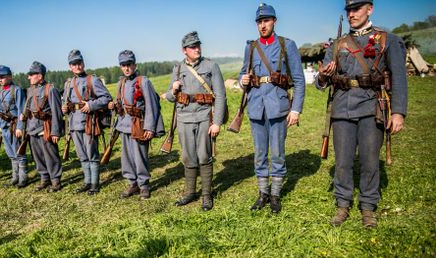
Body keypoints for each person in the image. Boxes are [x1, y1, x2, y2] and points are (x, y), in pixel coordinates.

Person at [316, 0, 407, 227]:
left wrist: (398, 112)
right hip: (342, 107)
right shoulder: (337, 44)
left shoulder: (387, 40)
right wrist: (324, 75)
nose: (351, 14)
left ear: (370, 9)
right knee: (343, 162)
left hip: (371, 107)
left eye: (356, 9)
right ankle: (343, 204)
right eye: (348, 10)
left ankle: (367, 206)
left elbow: (399, 79)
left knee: (369, 161)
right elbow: (320, 83)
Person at [239, 3, 305, 214]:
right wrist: (243, 80)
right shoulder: (251, 47)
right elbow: (243, 76)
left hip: (278, 107)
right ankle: (263, 194)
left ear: (274, 21)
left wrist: (295, 110)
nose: (262, 25)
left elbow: (299, 80)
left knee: (277, 153)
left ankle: (275, 195)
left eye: (266, 21)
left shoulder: (287, 45)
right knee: (259, 154)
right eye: (259, 22)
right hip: (257, 107)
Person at [165, 31, 227, 211]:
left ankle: (207, 195)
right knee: (188, 156)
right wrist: (174, 90)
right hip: (184, 118)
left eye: (198, 45)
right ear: (184, 50)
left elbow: (221, 96)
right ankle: (190, 193)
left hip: (203, 117)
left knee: (204, 156)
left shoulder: (211, 66)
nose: (197, 49)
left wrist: (217, 122)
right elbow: (169, 97)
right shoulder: (177, 69)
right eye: (192, 47)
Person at [108, 50, 164, 199]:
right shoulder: (121, 83)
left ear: (135, 65)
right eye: (123, 65)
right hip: (123, 125)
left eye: (129, 64)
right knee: (126, 158)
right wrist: (114, 105)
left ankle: (144, 185)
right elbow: (120, 101)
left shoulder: (143, 81)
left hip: (139, 124)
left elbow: (152, 106)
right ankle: (132, 183)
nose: (126, 68)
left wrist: (150, 128)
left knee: (140, 157)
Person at [61, 50, 112, 195]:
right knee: (82, 155)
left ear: (83, 63)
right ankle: (87, 182)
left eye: (79, 63)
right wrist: (64, 108)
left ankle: (95, 184)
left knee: (92, 154)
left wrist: (91, 105)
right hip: (74, 123)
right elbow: (64, 101)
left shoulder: (92, 80)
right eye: (73, 64)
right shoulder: (68, 83)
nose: (77, 66)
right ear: (70, 67)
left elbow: (106, 98)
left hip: (89, 122)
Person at [24, 61, 63, 192]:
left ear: (40, 76)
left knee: (51, 155)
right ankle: (44, 178)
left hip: (45, 128)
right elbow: (28, 110)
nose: (29, 77)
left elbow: (57, 112)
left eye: (31, 74)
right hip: (32, 128)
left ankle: (55, 180)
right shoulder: (30, 90)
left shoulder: (50, 89)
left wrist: (56, 132)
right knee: (38, 156)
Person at [0, 65, 28, 188]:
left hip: (14, 125)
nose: (0, 79)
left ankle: (23, 178)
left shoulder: (16, 90)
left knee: (19, 152)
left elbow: (21, 110)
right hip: (4, 125)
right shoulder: (0, 91)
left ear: (9, 76)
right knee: (11, 154)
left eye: (3, 76)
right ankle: (15, 178)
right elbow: (0, 110)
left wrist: (20, 127)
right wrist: (0, 125)